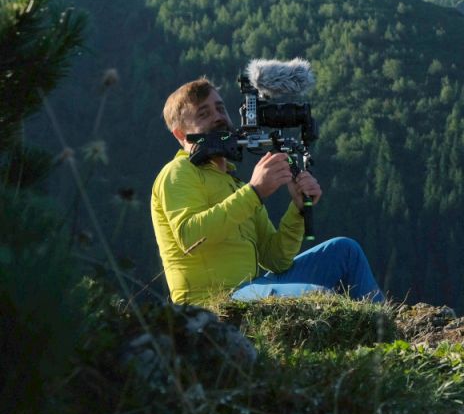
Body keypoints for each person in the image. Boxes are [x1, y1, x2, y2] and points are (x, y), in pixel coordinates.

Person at [150, 77, 384, 306]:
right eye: (204, 114)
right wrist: (254, 192)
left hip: (251, 290)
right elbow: (190, 237)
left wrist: (298, 209)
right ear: (180, 134)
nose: (218, 117)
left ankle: (386, 329)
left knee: (345, 251)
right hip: (210, 302)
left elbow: (276, 259)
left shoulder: (233, 183)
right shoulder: (178, 172)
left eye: (220, 109)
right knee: (316, 296)